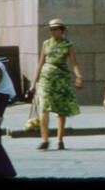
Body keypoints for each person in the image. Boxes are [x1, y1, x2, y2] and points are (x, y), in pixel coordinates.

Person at [31, 19, 82, 150]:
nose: (52, 32)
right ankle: (45, 139)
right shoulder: (46, 43)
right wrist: (34, 82)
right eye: (51, 29)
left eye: (55, 29)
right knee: (44, 106)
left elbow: (74, 62)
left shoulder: (67, 44)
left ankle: (60, 139)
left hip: (61, 78)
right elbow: (40, 63)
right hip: (46, 78)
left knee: (61, 109)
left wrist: (78, 76)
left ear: (61, 30)